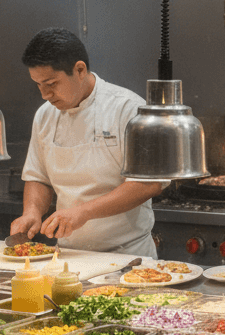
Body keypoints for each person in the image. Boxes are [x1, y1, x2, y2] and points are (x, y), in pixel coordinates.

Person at [10, 28, 165, 257]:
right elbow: (38, 177)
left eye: (51, 83)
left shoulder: (127, 109)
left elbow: (148, 184)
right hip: (67, 255)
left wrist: (82, 212)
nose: (45, 94)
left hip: (127, 255)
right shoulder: (45, 115)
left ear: (79, 70)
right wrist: (31, 212)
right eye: (38, 85)